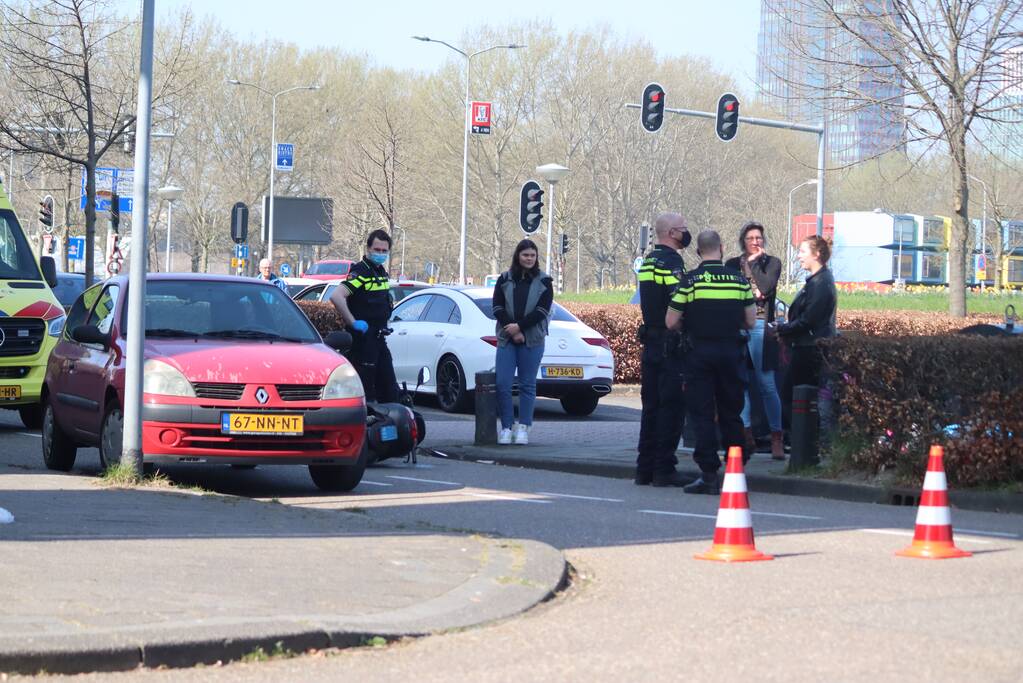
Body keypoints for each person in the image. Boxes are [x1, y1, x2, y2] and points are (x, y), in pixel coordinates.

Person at [666, 230, 756, 494]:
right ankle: (735, 469)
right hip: (731, 353)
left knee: (702, 414)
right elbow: (751, 320)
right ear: (722, 248)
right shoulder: (738, 280)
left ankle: (708, 475)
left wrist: (690, 322)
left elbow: (671, 322)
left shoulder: (690, 281)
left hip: (699, 355)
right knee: (731, 413)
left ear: (697, 252)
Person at [635, 212, 694, 487]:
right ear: (672, 232)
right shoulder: (671, 262)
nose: (686, 233)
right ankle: (664, 469)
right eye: (683, 229)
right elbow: (678, 303)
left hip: (651, 344)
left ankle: (644, 468)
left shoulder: (648, 261)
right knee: (671, 408)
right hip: (670, 346)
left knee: (651, 408)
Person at [725, 221, 785, 460]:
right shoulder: (731, 264)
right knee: (741, 384)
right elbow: (733, 293)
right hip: (738, 327)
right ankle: (746, 435)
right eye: (750, 238)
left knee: (766, 383)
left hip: (760, 326)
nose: (755, 242)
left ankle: (777, 436)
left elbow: (764, 289)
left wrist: (753, 265)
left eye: (758, 238)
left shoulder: (772, 263)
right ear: (743, 241)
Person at [775, 235, 837, 450]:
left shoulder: (820, 283)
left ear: (816, 254)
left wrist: (782, 329)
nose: (798, 256)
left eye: (802, 251)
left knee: (796, 395)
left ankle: (805, 442)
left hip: (810, 348)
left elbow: (809, 319)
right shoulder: (817, 281)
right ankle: (805, 441)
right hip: (807, 345)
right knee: (795, 394)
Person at [491, 239, 553, 445]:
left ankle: (524, 427)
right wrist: (511, 328)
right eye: (525, 255)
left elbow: (542, 311)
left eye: (532, 255)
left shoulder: (545, 282)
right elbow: (497, 307)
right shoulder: (504, 279)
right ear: (518, 255)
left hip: (532, 339)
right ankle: (507, 427)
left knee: (527, 385)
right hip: (507, 339)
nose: (529, 258)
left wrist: (521, 328)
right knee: (503, 384)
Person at [329, 229, 398, 403]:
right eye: (377, 250)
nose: (381, 254)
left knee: (389, 388)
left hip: (379, 338)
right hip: (363, 340)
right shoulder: (361, 271)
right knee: (366, 390)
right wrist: (353, 323)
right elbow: (337, 296)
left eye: (384, 251)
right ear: (368, 249)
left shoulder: (380, 271)